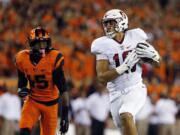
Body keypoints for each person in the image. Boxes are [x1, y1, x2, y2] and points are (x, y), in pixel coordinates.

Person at [91, 9, 160, 135]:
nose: (107, 26)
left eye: (111, 22)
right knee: (124, 128)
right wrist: (123, 67)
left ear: (122, 22)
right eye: (105, 23)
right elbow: (101, 78)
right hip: (115, 94)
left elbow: (156, 64)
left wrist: (155, 58)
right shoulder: (102, 44)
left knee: (126, 114)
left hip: (135, 88)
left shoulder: (136, 36)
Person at [15, 26, 69, 135]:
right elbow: (22, 82)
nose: (41, 47)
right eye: (38, 43)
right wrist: (21, 89)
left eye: (44, 43)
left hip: (51, 105)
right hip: (33, 101)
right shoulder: (22, 58)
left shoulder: (54, 58)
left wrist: (65, 116)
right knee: (24, 130)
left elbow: (63, 91)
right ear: (31, 44)